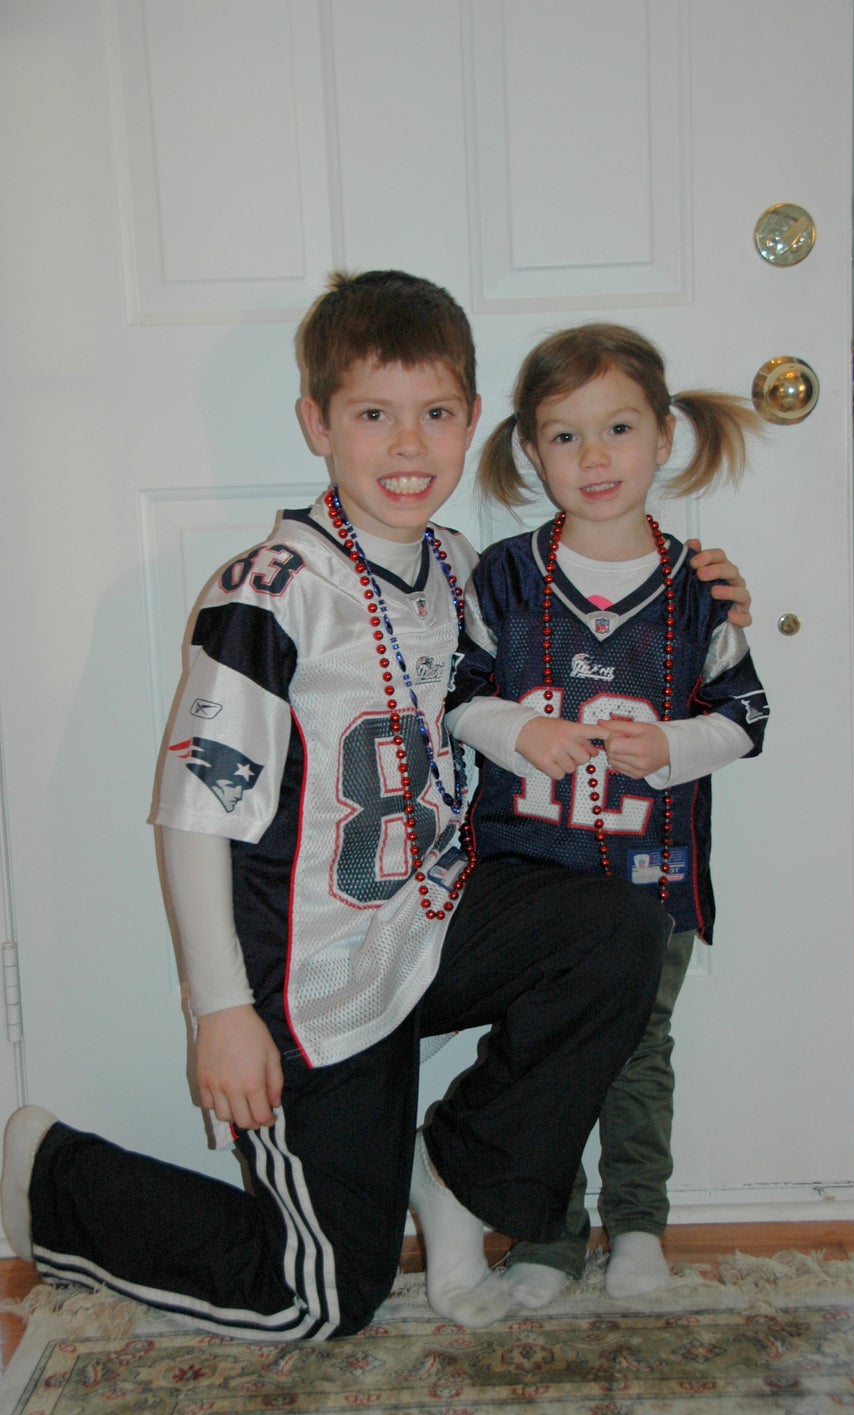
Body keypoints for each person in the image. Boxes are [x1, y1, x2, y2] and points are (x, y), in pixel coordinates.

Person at [0, 274, 752, 1342]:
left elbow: (604, 591)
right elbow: (191, 809)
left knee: (614, 928)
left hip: (426, 925)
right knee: (320, 1298)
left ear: (472, 423)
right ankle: (45, 1178)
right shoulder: (271, 588)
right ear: (315, 422)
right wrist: (220, 1007)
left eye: (435, 412)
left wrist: (709, 593)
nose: (408, 443)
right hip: (311, 979)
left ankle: (456, 1175)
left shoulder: (461, 567)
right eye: (371, 413)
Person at [447, 321, 770, 1309]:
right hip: (528, 877)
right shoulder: (501, 576)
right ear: (528, 448)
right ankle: (546, 1236)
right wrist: (515, 731)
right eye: (565, 435)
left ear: (664, 436)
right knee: (535, 1057)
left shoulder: (697, 590)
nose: (595, 458)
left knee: (637, 1052)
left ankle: (639, 1225)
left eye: (619, 428)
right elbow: (458, 694)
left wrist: (676, 746)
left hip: (648, 873)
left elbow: (747, 717)